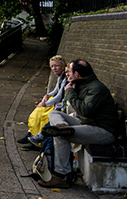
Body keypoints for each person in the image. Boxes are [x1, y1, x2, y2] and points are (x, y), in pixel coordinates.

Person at [37, 59, 120, 189]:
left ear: (77, 74)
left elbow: (84, 110)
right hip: (86, 122)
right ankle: (61, 126)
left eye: (69, 71)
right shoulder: (81, 83)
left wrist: (70, 91)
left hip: (102, 130)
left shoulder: (96, 88)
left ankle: (61, 176)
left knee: (60, 136)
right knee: (54, 114)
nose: (67, 74)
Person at [17, 55, 67, 147]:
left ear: (63, 66)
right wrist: (47, 95)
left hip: (62, 104)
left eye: (57, 66)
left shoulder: (65, 77)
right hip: (57, 102)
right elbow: (55, 90)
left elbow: (59, 96)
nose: (54, 68)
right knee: (36, 114)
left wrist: (45, 104)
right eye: (52, 66)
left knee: (42, 115)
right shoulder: (60, 76)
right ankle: (31, 134)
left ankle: (36, 139)